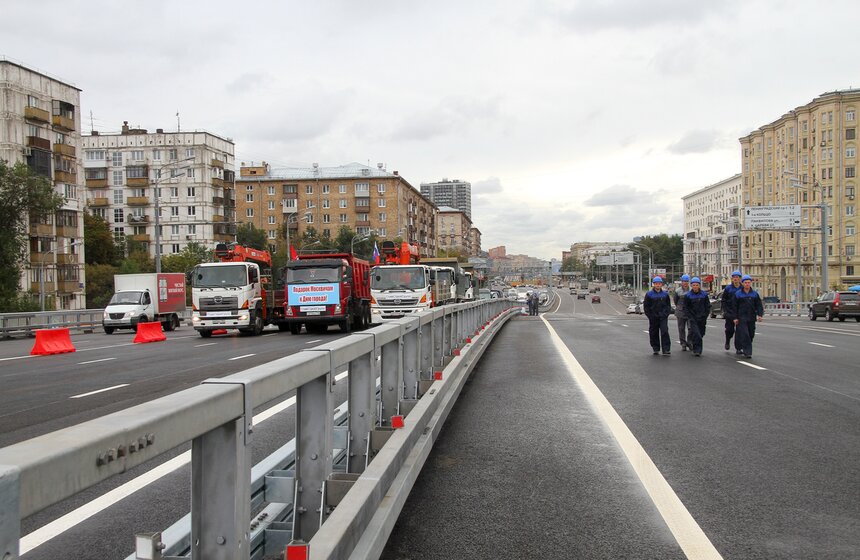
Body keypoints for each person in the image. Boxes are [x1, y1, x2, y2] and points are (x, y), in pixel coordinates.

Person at [732, 275, 764, 359]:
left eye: (748, 283)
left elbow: (759, 305)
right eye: (745, 283)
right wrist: (735, 317)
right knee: (745, 333)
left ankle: (744, 345)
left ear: (751, 283)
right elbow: (734, 307)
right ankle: (747, 352)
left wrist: (760, 315)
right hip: (741, 317)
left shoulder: (754, 294)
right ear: (742, 283)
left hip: (751, 317)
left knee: (750, 333)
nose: (747, 284)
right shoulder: (738, 294)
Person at [643, 276, 672, 355]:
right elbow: (646, 307)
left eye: (659, 283)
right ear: (653, 284)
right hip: (653, 317)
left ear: (661, 284)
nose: (658, 285)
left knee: (664, 331)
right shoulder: (649, 294)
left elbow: (668, 306)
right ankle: (655, 348)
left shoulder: (665, 294)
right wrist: (650, 316)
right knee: (653, 332)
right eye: (656, 283)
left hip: (663, 317)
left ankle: (666, 349)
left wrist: (666, 314)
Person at [683, 277, 711, 357]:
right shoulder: (688, 296)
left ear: (699, 285)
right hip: (693, 318)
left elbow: (707, 306)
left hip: (702, 318)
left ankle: (695, 343)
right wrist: (690, 317)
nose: (695, 286)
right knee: (696, 333)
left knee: (701, 333)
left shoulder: (704, 295)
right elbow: (686, 307)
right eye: (694, 285)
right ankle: (697, 350)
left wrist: (705, 315)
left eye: (697, 285)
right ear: (691, 285)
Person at [721, 271, 743, 351]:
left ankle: (738, 348)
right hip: (730, 312)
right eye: (734, 277)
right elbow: (723, 300)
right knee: (729, 330)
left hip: (740, 312)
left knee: (740, 331)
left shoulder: (743, 288)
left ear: (740, 279)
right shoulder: (728, 288)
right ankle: (728, 340)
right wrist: (725, 310)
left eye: (737, 277)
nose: (736, 279)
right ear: (732, 279)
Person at [673, 274, 691, 350]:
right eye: (684, 281)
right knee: (681, 328)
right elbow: (675, 301)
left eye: (687, 281)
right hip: (680, 311)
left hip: (690, 312)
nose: (685, 283)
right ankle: (683, 343)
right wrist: (679, 307)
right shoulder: (678, 291)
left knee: (691, 328)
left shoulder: (691, 290)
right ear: (681, 282)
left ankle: (690, 342)